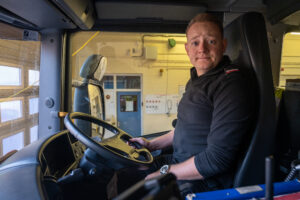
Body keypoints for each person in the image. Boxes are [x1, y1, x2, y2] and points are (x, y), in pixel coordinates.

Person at [119, 13, 255, 196]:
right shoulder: (196, 81)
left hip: (205, 182)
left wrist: (164, 172)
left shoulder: (230, 85)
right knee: (123, 171)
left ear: (223, 45)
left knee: (137, 188)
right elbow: (184, 129)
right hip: (179, 163)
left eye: (211, 41)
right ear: (187, 48)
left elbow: (216, 160)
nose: (202, 49)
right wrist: (151, 145)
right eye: (195, 42)